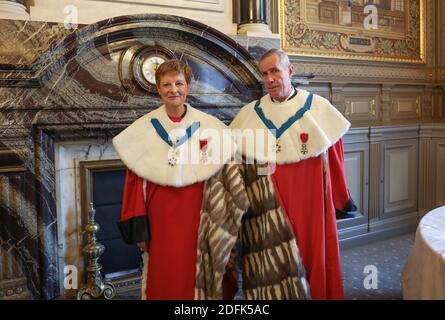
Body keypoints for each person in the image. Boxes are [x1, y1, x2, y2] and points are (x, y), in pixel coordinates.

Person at [112, 59, 249, 300]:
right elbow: (133, 183)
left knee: (197, 273)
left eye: (179, 83)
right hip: (160, 216)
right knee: (164, 273)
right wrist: (140, 230)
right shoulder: (142, 129)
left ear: (188, 87)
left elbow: (226, 174)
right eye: (166, 84)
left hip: (200, 214)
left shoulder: (211, 126)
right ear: (158, 88)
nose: (173, 89)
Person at [230, 48, 356, 300]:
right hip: (267, 206)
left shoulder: (318, 109)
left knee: (310, 257)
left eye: (275, 71)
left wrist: (341, 199)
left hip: (309, 206)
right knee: (270, 263)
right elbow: (237, 165)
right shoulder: (249, 114)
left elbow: (335, 161)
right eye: (264, 74)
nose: (269, 79)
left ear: (290, 71)